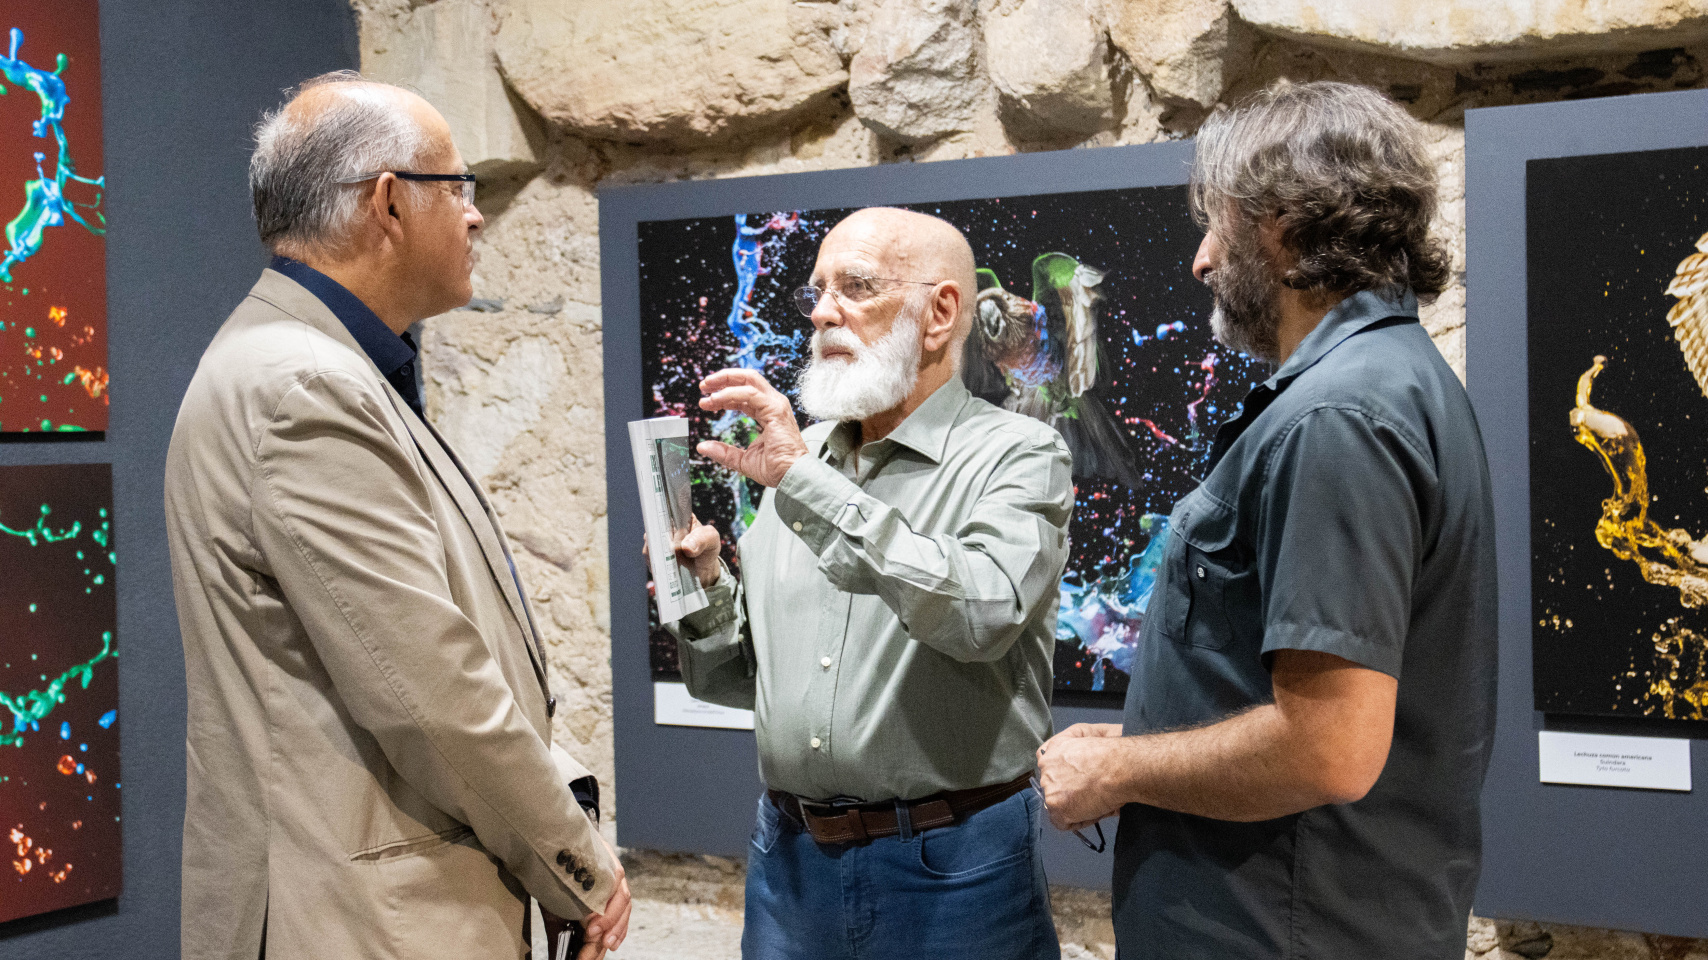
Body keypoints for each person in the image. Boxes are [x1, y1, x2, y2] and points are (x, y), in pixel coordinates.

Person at [164, 72, 630, 960]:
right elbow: (431, 695)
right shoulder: (308, 388)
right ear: (388, 204)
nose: (478, 215)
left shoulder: (309, 366)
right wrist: (576, 863)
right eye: (459, 188)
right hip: (358, 922)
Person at [1034, 80, 1498, 960]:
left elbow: (1328, 747)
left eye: (1216, 223)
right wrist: (1146, 738)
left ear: (1280, 222)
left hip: (1284, 931)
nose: (1202, 260)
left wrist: (1120, 769)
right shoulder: (1385, 383)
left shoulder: (1337, 417)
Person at [669, 207, 1075, 959]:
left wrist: (806, 485)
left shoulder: (1020, 455)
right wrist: (707, 585)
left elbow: (980, 612)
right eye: (816, 291)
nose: (823, 312)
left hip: (954, 870)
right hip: (789, 863)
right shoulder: (797, 461)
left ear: (939, 311)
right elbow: (740, 684)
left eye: (856, 287)